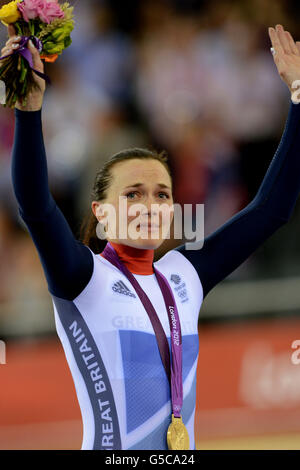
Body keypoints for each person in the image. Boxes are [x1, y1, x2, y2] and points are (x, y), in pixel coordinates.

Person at [5, 22, 300, 450]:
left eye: (162, 194)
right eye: (133, 194)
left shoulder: (184, 274)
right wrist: (28, 112)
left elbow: (271, 210)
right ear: (101, 213)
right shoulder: (84, 279)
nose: (150, 205)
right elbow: (34, 204)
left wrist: (297, 97)